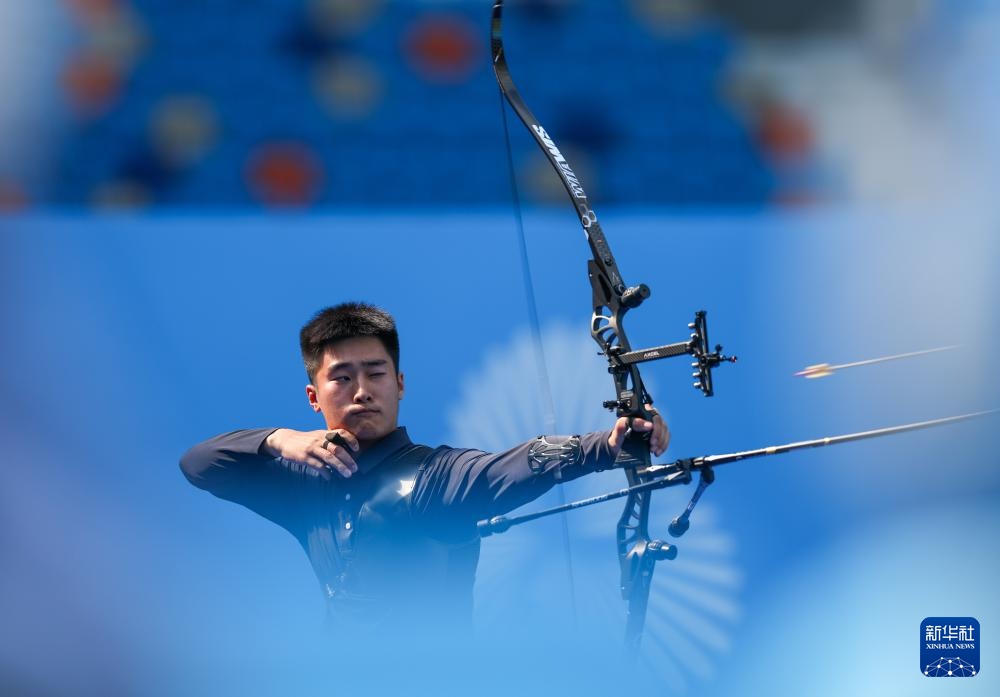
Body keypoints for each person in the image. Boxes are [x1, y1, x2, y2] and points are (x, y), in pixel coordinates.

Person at [180, 302, 669, 640]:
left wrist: (607, 444)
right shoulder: (304, 483)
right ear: (314, 397)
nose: (361, 391)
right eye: (342, 378)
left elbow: (510, 467)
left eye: (375, 374)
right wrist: (280, 439)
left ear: (400, 384)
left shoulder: (438, 476)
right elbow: (201, 464)